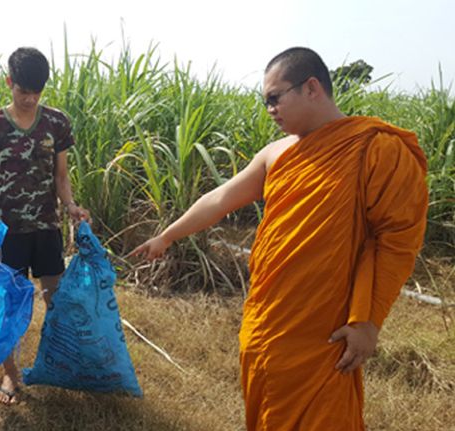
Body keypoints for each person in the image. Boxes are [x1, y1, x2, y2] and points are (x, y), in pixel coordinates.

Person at [132, 47, 428, 430]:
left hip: (325, 322)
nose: (270, 109)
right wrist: (168, 236)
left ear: (311, 87)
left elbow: (398, 239)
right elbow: (221, 198)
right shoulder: (277, 153)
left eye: (275, 98)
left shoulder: (375, 148)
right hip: (270, 313)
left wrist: (368, 323)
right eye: (264, 101)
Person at [0, 46, 90, 405]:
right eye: (23, 90)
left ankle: (57, 364)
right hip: (8, 231)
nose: (29, 98)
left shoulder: (56, 122)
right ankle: (10, 374)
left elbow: (61, 175)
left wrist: (70, 205)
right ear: (10, 82)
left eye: (36, 92)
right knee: (8, 304)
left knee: (55, 297)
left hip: (46, 228)